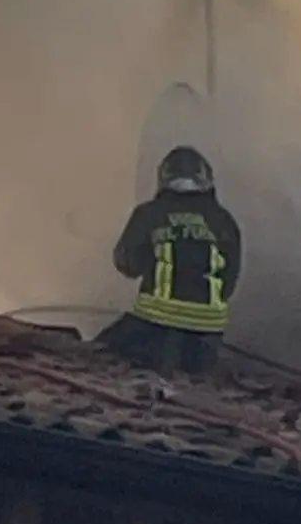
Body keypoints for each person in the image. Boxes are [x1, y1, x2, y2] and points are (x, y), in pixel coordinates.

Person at [102, 146, 242, 377]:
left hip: (156, 322)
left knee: (102, 352)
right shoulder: (224, 220)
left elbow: (127, 264)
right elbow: (230, 279)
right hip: (210, 328)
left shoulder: (149, 214)